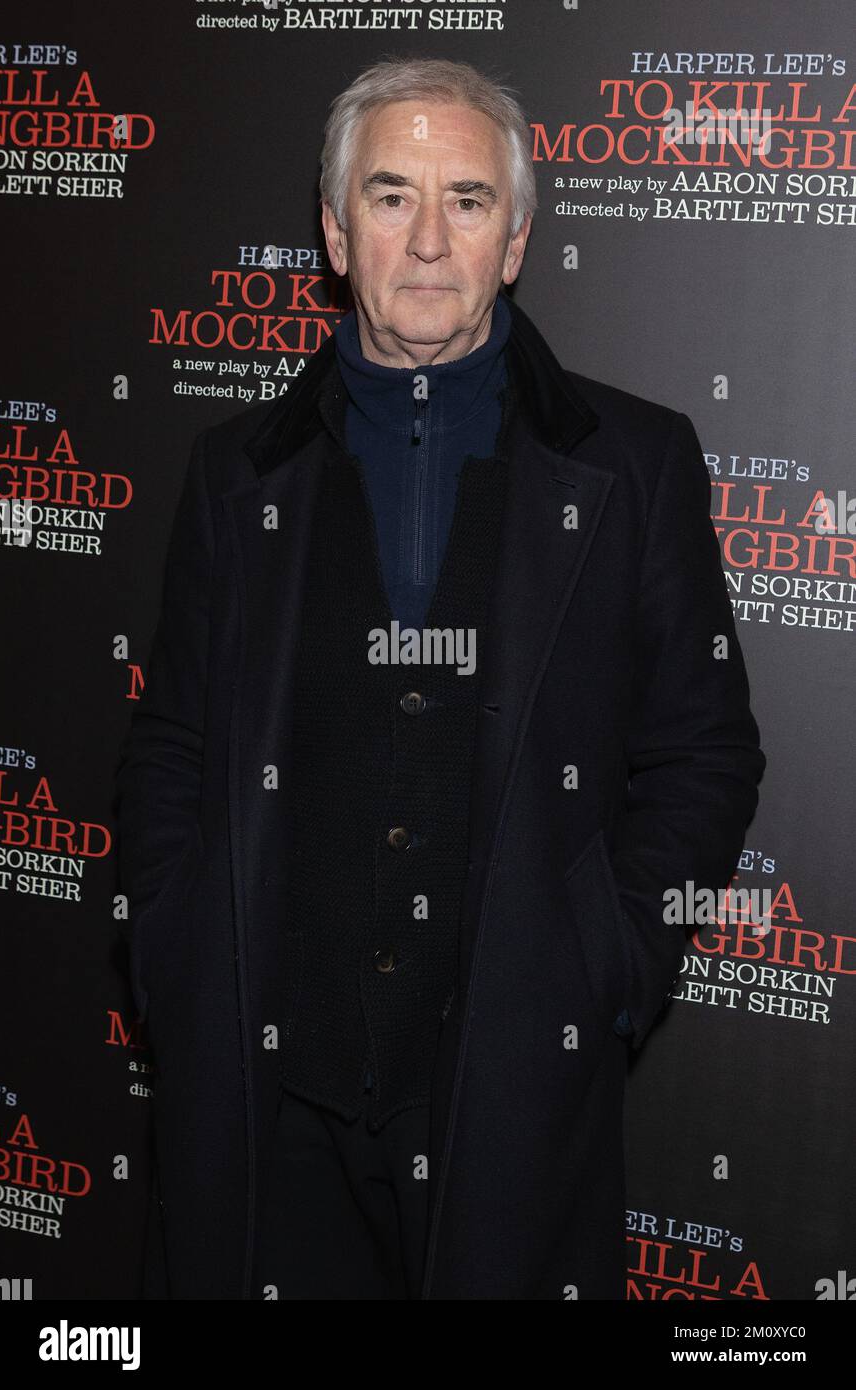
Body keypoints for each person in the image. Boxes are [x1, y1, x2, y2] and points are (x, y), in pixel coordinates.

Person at [114, 56, 765, 1300]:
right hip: (268, 1092)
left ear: (515, 240)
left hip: (511, 1096)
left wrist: (609, 957)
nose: (426, 240)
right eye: (390, 195)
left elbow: (705, 752)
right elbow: (175, 744)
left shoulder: (633, 462)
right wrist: (178, 951)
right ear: (332, 229)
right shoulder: (232, 471)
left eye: (466, 202)